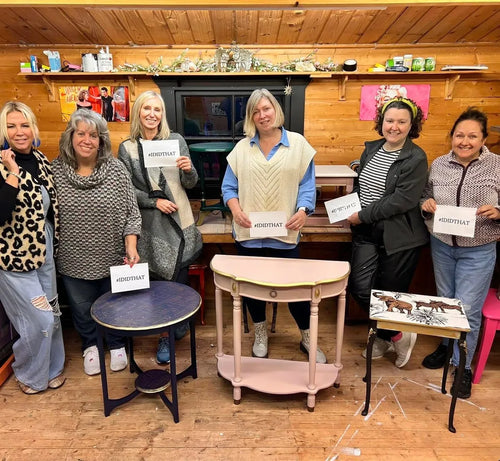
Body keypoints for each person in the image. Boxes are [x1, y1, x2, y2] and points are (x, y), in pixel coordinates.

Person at [221, 88, 326, 363]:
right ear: (250, 117)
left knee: (296, 291)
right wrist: (236, 210)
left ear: (276, 110)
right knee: (252, 289)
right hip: (248, 235)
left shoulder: (299, 145)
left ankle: (307, 337)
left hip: (285, 235)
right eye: (255, 111)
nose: (262, 115)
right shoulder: (242, 148)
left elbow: (307, 186)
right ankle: (260, 333)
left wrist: (303, 211)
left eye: (266, 108)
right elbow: (228, 187)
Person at [52, 109, 141, 376]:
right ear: (70, 137)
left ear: (101, 140)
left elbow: (132, 214)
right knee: (81, 310)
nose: (87, 140)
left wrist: (131, 246)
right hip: (72, 258)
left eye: (93, 135)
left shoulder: (116, 170)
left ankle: (117, 344)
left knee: (116, 305)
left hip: (113, 257)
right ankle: (90, 346)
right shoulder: (55, 171)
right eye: (81, 133)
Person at [118, 90, 202, 365]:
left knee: (179, 282)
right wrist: (154, 202)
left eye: (157, 109)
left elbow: (190, 183)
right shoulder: (127, 148)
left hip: (181, 221)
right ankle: (165, 331)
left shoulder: (176, 141)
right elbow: (126, 190)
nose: (152, 114)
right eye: (147, 108)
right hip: (150, 225)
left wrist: (189, 169)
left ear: (162, 114)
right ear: (138, 112)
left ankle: (174, 328)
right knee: (158, 287)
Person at [420, 107, 499, 398]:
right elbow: (426, 195)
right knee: (446, 302)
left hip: (478, 250)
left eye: (472, 136)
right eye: (459, 135)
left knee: (467, 309)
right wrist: (426, 204)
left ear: (483, 139)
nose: (465, 141)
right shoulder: (439, 164)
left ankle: (462, 365)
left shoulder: (497, 166)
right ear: (452, 137)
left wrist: (498, 211)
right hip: (442, 245)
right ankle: (446, 345)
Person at [347, 97, 428, 368]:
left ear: (411, 125)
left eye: (402, 122)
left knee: (390, 294)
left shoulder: (416, 157)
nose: (394, 126)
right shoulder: (372, 149)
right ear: (381, 122)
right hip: (367, 230)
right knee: (360, 287)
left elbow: (401, 201)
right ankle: (396, 334)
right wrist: (350, 208)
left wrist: (361, 215)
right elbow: (363, 187)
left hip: (400, 236)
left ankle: (383, 338)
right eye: (389, 120)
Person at [0, 101, 65, 394]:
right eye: (11, 126)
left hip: (44, 247)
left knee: (53, 312)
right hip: (13, 257)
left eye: (24, 125)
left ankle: (53, 368)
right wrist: (12, 172)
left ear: (33, 128)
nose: (19, 132)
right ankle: (29, 374)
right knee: (38, 317)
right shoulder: (2, 165)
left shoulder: (40, 160)